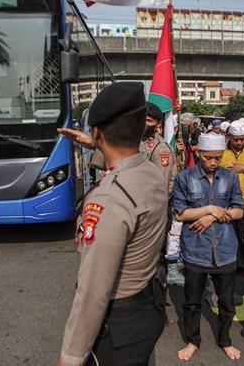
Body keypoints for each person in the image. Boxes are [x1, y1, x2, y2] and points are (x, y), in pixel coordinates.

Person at [56, 82, 168, 366]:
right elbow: (129, 157)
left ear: (97, 131)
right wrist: (97, 143)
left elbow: (94, 291)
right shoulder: (152, 171)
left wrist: (69, 358)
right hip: (146, 305)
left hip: (118, 322)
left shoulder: (110, 198)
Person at [172, 133, 244, 362]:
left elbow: (239, 210)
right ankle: (193, 340)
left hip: (225, 249)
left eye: (218, 157)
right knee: (192, 301)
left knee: (226, 301)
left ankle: (225, 340)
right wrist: (211, 208)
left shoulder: (230, 177)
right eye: (208, 157)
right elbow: (180, 213)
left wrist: (212, 217)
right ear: (198, 153)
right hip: (196, 249)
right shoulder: (184, 178)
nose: (213, 162)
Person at [220, 119, 244, 273]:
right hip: (226, 202)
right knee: (227, 236)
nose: (238, 142)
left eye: (241, 139)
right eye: (235, 139)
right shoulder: (221, 151)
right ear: (229, 137)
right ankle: (231, 264)